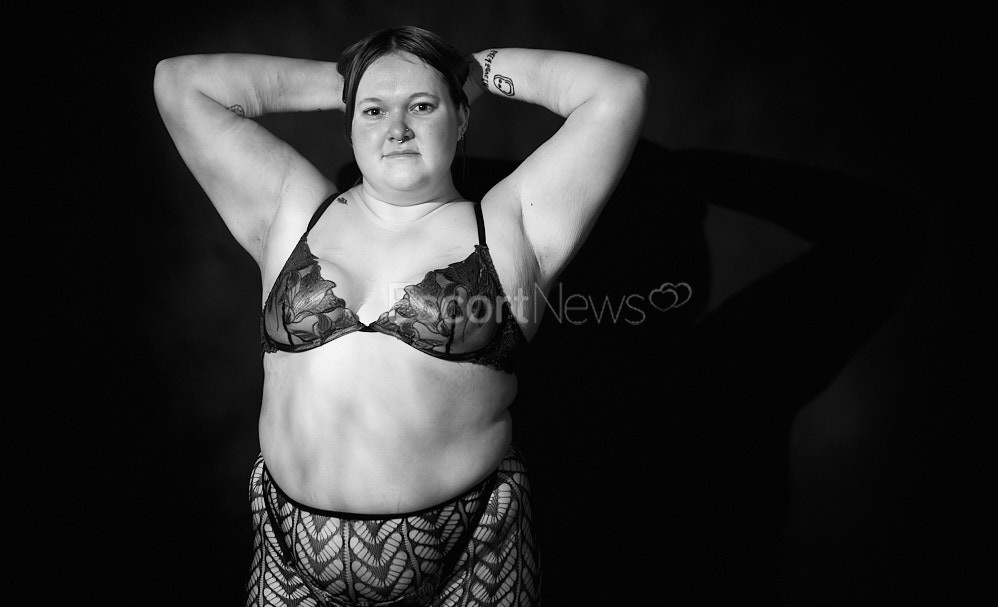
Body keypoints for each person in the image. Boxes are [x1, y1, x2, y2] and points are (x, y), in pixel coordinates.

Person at [154, 25, 648, 606]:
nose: (397, 129)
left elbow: (618, 92)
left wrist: (468, 73)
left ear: (460, 118)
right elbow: (180, 83)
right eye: (373, 111)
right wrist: (355, 79)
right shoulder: (290, 209)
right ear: (350, 122)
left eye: (421, 106)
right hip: (289, 562)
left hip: (473, 554)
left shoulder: (512, 225)